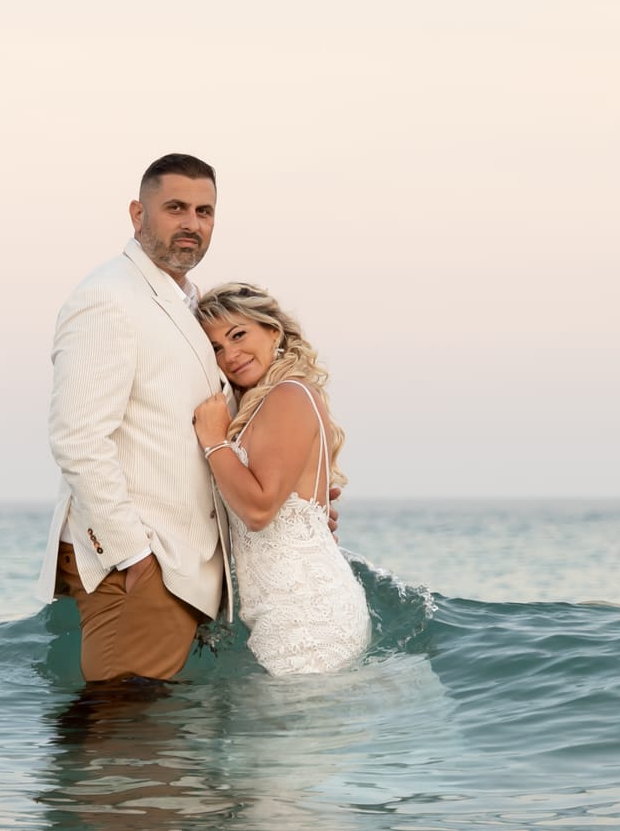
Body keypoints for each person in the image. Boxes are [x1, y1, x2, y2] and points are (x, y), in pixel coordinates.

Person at [37, 154, 233, 683]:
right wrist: (135, 558)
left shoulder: (190, 305)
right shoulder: (108, 298)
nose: (191, 223)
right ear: (137, 214)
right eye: (174, 207)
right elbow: (78, 439)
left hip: (181, 567)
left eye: (204, 211)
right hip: (144, 565)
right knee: (126, 739)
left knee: (142, 747)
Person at [192, 283, 370, 675]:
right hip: (281, 611)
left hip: (305, 615)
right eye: (216, 348)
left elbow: (259, 509)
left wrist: (213, 442)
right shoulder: (258, 409)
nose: (231, 355)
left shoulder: (288, 395)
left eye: (238, 335)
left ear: (273, 331)